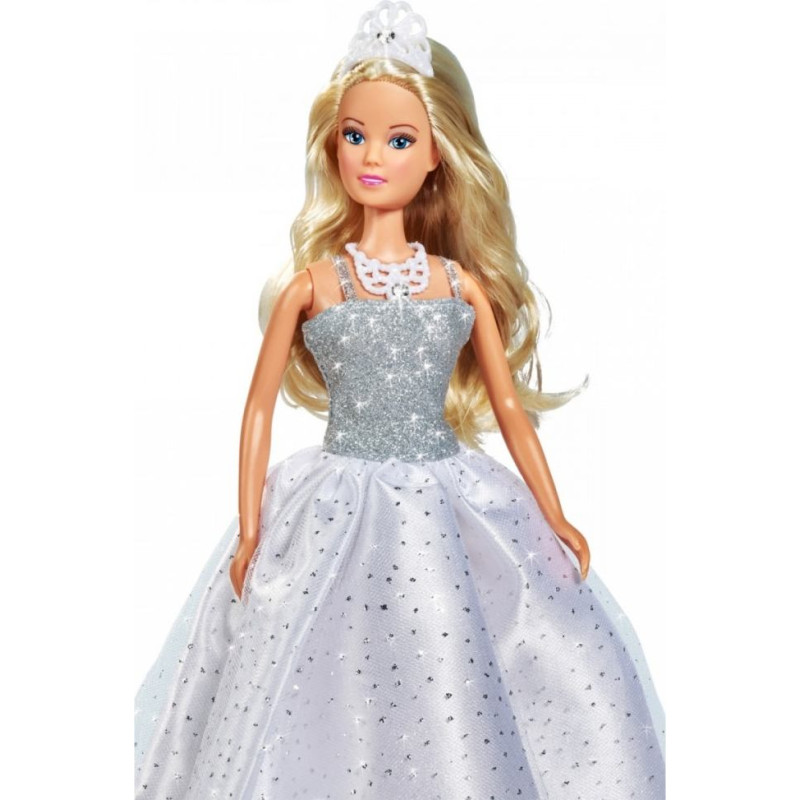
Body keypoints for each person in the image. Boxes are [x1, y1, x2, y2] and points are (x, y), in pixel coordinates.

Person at [135, 2, 665, 798]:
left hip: (446, 504)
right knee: (317, 675)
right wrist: (249, 531)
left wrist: (554, 515)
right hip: (331, 510)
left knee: (452, 663)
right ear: (331, 145)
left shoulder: (459, 285)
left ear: (439, 154)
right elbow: (257, 409)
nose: (372, 156)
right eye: (354, 135)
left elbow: (510, 412)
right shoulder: (312, 287)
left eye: (399, 139)